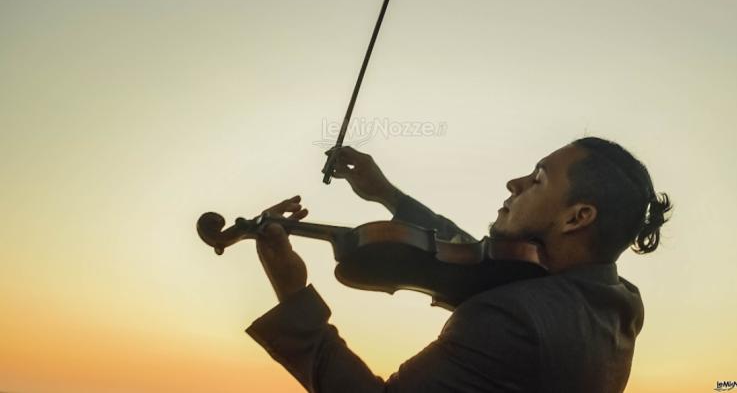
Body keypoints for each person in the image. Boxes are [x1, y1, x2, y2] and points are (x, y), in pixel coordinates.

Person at [247, 137, 673, 392]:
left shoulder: (512, 319)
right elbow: (476, 259)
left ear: (577, 217)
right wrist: (388, 195)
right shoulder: (616, 301)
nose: (515, 183)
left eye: (538, 179)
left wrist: (293, 294)